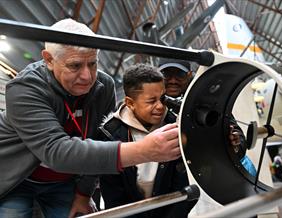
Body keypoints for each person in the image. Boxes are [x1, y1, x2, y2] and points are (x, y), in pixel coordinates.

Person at [0, 19, 180, 218]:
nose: (87, 76)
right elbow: (57, 151)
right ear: (49, 60)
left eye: (93, 63)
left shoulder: (103, 86)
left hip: (63, 183)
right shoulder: (24, 89)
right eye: (75, 65)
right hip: (18, 181)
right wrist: (145, 151)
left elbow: (99, 139)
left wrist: (84, 193)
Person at [99, 64, 195, 217]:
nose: (160, 106)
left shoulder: (176, 126)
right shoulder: (110, 134)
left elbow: (184, 184)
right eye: (151, 101)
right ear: (130, 103)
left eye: (163, 98)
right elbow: (113, 196)